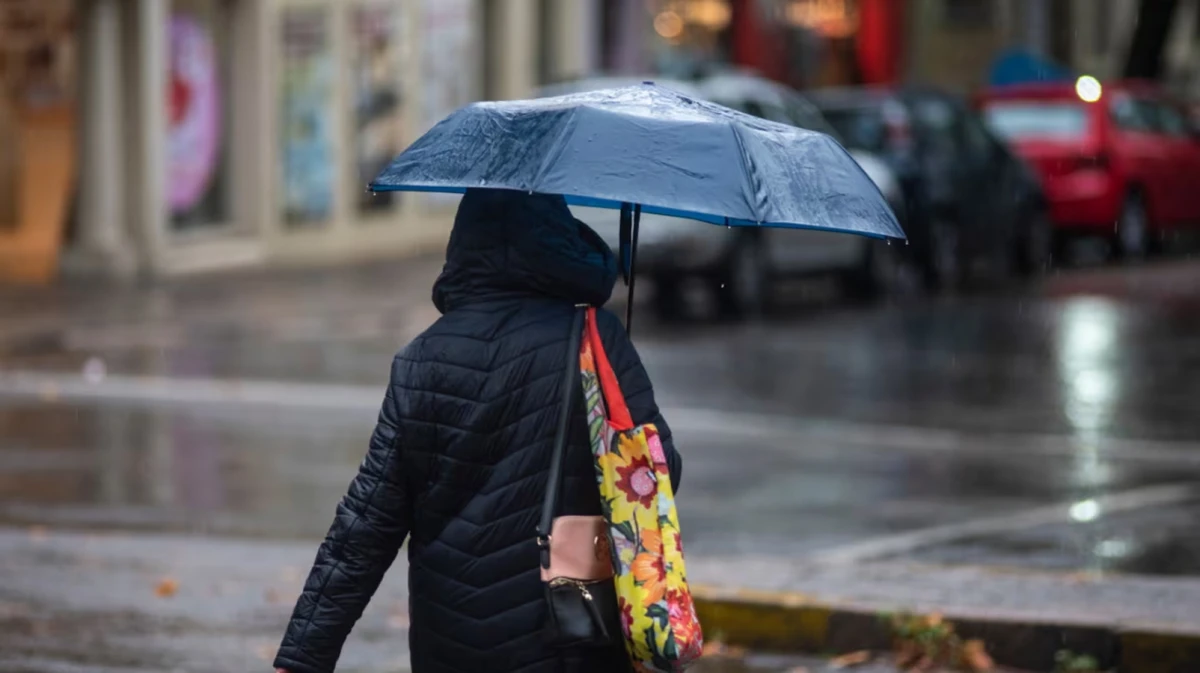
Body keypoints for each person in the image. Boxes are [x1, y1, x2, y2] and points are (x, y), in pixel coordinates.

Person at [273, 188, 681, 673]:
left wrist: (303, 656)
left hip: (450, 642)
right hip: (570, 632)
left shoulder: (421, 359)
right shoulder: (594, 339)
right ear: (556, 240)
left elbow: (365, 526)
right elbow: (659, 476)